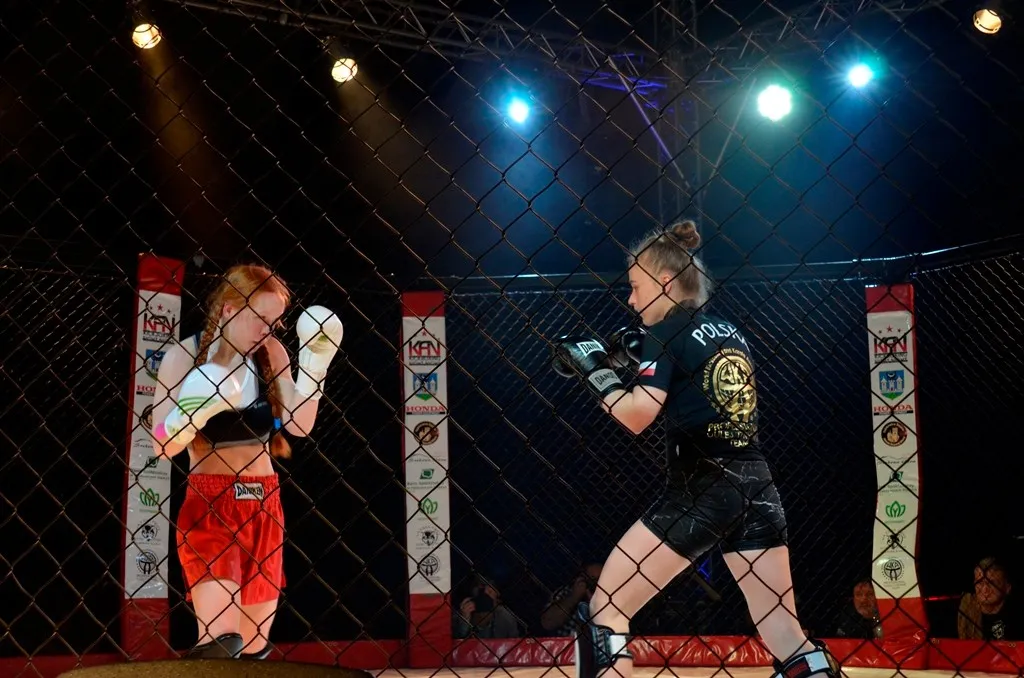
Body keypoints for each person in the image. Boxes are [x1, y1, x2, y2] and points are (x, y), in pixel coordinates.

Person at [551, 221, 839, 678]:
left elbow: (638, 414)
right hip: (758, 489)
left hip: (701, 488)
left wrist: (595, 371)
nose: (631, 300)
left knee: (607, 610)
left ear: (664, 281)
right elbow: (700, 388)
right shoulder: (730, 331)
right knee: (784, 629)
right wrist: (638, 354)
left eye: (636, 286)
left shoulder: (666, 333)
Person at [151, 264, 343, 659]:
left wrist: (315, 370)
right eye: (260, 318)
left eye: (275, 321)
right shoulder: (183, 357)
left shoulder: (271, 353)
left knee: (254, 650)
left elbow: (298, 425)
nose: (268, 330)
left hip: (264, 505)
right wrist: (187, 417)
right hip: (211, 505)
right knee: (223, 644)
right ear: (228, 309)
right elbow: (160, 446)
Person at [958, 557, 1018, 640]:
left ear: (1007, 587)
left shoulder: (1017, 617)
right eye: (980, 582)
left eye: (992, 583)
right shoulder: (964, 608)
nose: (985, 589)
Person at [541, 564, 604, 636]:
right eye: (591, 579)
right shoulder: (566, 592)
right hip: (569, 640)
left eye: (598, 580)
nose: (594, 584)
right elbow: (547, 623)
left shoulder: (610, 595)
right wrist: (574, 597)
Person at [455, 575, 521, 639]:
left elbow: (515, 642)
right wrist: (464, 622)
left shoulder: (506, 617)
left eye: (490, 591)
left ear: (497, 598)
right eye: (481, 590)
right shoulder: (462, 613)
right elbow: (457, 639)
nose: (485, 593)